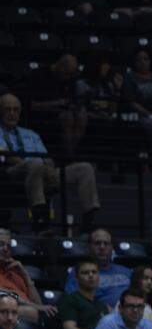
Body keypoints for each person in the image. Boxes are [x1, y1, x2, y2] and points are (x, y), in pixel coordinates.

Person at [0, 93, 100, 229]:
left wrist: (48, 169)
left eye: (15, 110)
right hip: (13, 174)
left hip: (43, 172)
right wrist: (39, 166)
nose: (12, 113)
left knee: (84, 168)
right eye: (8, 109)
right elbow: (8, 157)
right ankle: (40, 220)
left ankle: (89, 220)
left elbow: (47, 158)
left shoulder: (31, 134)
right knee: (35, 163)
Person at [63, 229, 131, 308]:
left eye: (106, 243)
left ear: (112, 247)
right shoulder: (79, 272)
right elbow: (73, 302)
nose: (102, 247)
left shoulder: (126, 272)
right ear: (89, 247)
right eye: (97, 243)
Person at [0, 228, 54, 321]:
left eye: (8, 246)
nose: (5, 249)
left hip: (27, 321)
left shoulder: (15, 273)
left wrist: (25, 275)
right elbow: (6, 294)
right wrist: (35, 307)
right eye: (0, 244)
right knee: (29, 311)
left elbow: (39, 304)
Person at [60, 258, 110, 329]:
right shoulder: (71, 300)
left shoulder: (101, 305)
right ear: (77, 278)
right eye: (85, 273)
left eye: (94, 272)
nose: (91, 275)